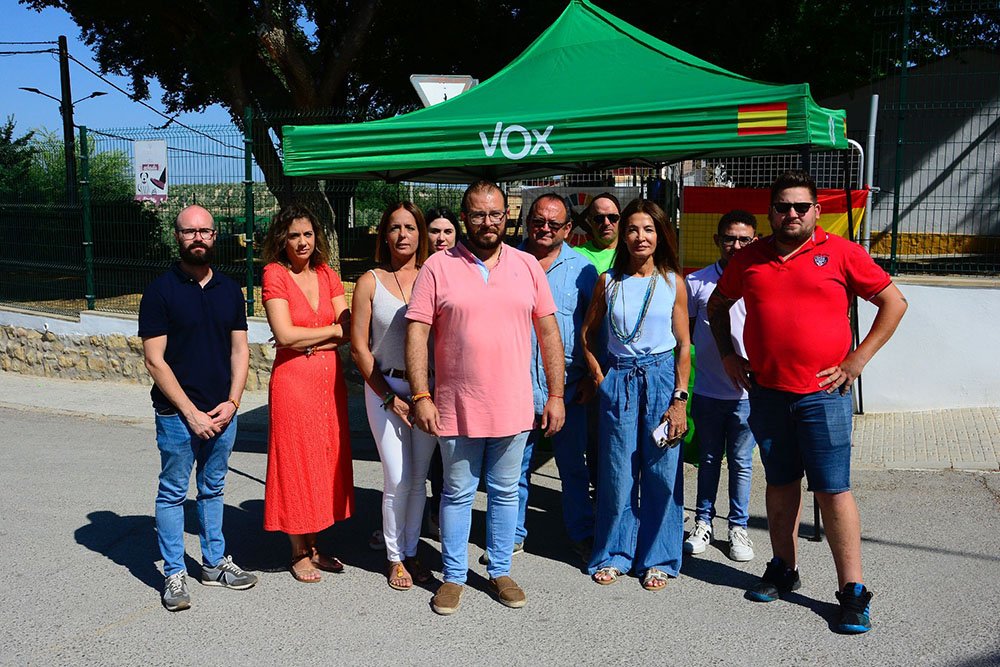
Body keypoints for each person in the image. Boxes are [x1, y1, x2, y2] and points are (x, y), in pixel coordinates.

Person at [708, 170, 907, 634]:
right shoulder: (750, 258)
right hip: (769, 393)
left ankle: (852, 590)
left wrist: (856, 361)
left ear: (817, 211)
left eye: (801, 206)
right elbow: (716, 308)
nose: (791, 213)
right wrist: (727, 355)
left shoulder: (841, 253)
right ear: (770, 212)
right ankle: (783, 568)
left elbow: (894, 303)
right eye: (782, 206)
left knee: (833, 490)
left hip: (824, 395)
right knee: (779, 484)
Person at [405, 180, 566, 615]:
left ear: (507, 216)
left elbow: (549, 332)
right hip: (455, 406)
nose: (488, 222)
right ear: (464, 218)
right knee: (456, 494)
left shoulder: (527, 265)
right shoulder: (437, 267)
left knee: (505, 492)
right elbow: (416, 332)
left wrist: (556, 394)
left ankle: (499, 570)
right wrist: (421, 394)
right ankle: (454, 577)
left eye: (496, 214)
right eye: (478, 214)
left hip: (514, 406)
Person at [139, 204, 257, 612]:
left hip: (224, 412)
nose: (198, 238)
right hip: (177, 416)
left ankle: (214, 561)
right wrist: (190, 412)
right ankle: (174, 572)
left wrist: (233, 402)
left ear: (214, 236)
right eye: (190, 232)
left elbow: (240, 351)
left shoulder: (229, 289)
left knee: (214, 488)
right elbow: (155, 360)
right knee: (173, 493)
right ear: (178, 237)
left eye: (205, 231)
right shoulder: (159, 292)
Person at [582, 199, 691, 591]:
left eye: (648, 229)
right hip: (621, 378)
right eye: (632, 229)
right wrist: (600, 377)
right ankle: (614, 553)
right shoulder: (608, 282)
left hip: (662, 379)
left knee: (662, 471)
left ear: (660, 234)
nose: (640, 237)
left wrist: (679, 399)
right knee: (616, 472)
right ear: (622, 236)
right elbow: (587, 334)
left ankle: (658, 557)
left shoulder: (672, 282)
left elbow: (683, 345)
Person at [261, 203, 353, 583]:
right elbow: (284, 335)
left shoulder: (328, 273)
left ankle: (314, 544)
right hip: (293, 385)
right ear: (282, 239)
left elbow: (348, 328)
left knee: (323, 461)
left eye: (308, 234)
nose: (302, 242)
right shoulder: (274, 273)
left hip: (328, 384)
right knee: (296, 462)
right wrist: (329, 333)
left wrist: (315, 339)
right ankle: (298, 550)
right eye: (294, 235)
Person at [351, 202, 437, 591]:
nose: (403, 234)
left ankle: (412, 548)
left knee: (419, 479)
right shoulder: (370, 281)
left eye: (410, 227)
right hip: (383, 389)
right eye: (394, 228)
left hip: (427, 392)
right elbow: (358, 349)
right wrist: (390, 398)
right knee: (397, 477)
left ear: (421, 233)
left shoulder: (435, 276)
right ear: (384, 235)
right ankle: (394, 557)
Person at [514, 193, 599, 563]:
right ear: (527, 221)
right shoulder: (506, 263)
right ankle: (510, 535)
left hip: (567, 391)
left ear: (567, 228)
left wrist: (588, 380)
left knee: (573, 469)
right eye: (538, 221)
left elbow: (595, 333)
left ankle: (581, 533)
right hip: (514, 388)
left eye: (554, 223)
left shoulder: (583, 271)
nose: (544, 229)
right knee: (513, 470)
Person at [684, 209, 759, 562]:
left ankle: (738, 528)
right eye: (730, 238)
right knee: (709, 459)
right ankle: (703, 521)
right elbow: (683, 337)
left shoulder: (761, 279)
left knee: (742, 462)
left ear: (755, 241)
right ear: (717, 240)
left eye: (744, 239)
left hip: (748, 394)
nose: (736, 246)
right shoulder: (696, 282)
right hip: (709, 391)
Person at [574, 192, 621, 273]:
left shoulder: (632, 252)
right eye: (599, 218)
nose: (606, 223)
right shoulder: (576, 255)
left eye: (613, 217)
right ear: (589, 220)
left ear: (620, 219)